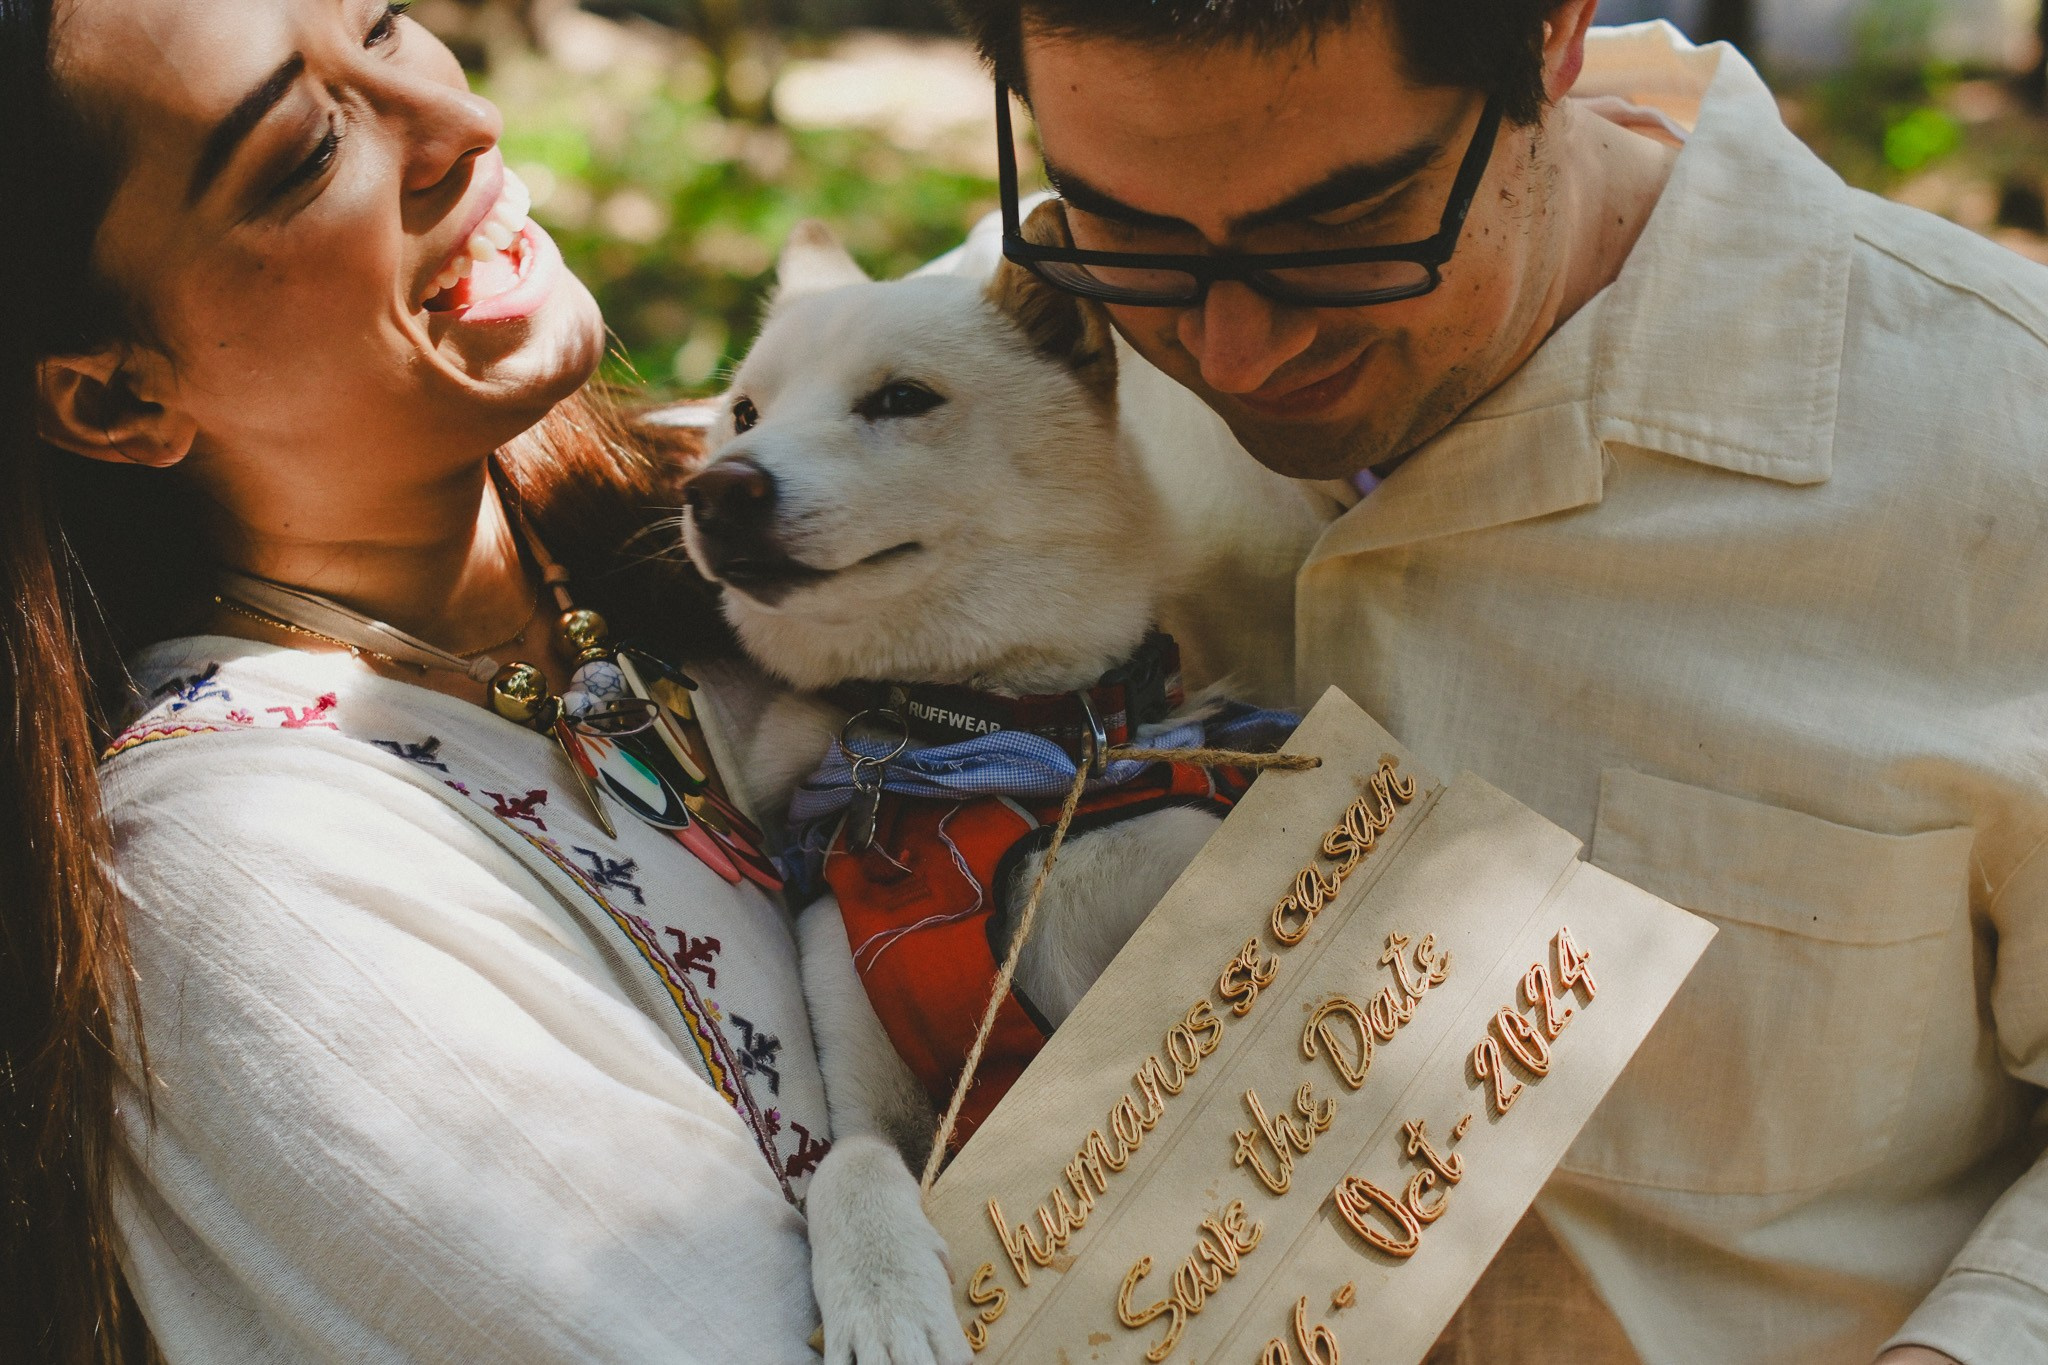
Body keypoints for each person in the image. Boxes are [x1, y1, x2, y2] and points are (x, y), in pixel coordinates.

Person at [931, 3, 2048, 1364]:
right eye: (1131, 231)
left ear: (1552, 36)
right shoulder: (1008, 358)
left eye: (1340, 233)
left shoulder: (2004, 450)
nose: (1234, 356)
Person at [0, 1, 830, 1360]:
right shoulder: (244, 887)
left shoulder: (716, 528)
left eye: (383, 26)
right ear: (114, 400)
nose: (460, 127)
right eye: (304, 154)